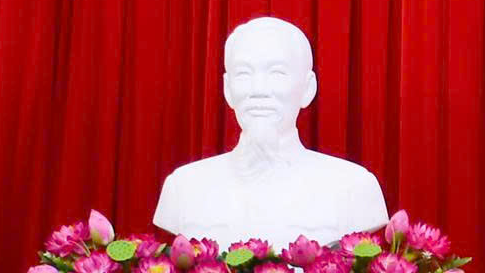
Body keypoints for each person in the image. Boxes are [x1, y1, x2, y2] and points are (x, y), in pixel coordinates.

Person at [151, 15, 390, 246]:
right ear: (227, 89)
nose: (258, 90)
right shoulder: (184, 187)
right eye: (243, 74)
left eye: (277, 73)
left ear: (308, 88)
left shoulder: (353, 188)